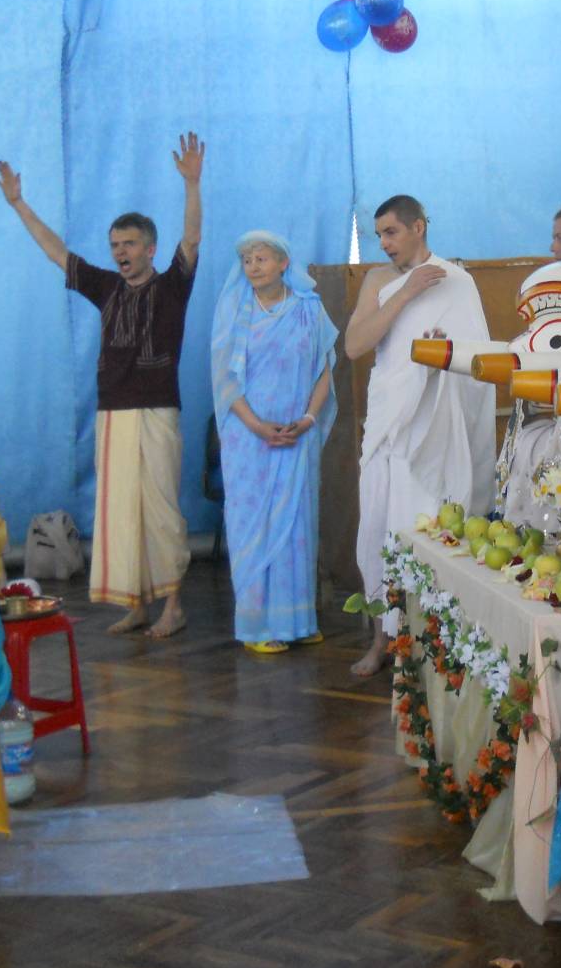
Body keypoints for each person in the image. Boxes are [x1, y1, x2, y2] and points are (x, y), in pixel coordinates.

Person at [0, 133, 204, 638]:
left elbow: (192, 239)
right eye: (114, 245)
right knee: (120, 511)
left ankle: (173, 606)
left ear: (150, 248)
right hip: (112, 411)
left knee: (159, 509)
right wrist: (19, 204)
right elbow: (56, 252)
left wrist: (192, 184)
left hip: (156, 408)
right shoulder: (106, 287)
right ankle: (136, 604)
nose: (120, 252)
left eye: (128, 244)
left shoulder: (172, 285)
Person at [347, 195, 495, 677]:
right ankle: (382, 640)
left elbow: (478, 362)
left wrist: (442, 354)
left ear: (418, 227)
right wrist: (407, 292)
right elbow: (355, 346)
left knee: (425, 532)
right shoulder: (378, 280)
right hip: (389, 421)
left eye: (391, 232)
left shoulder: (457, 281)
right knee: (378, 529)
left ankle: (428, 647)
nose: (385, 243)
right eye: (379, 235)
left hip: (435, 428)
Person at [210, 231, 338, 654]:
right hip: (249, 440)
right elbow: (225, 382)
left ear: (284, 263)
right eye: (247, 260)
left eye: (261, 258)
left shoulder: (308, 309)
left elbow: (324, 372)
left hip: (298, 435)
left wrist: (308, 419)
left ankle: (297, 622)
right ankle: (257, 626)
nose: (253, 267)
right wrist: (258, 425)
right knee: (254, 526)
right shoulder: (234, 309)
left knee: (298, 526)